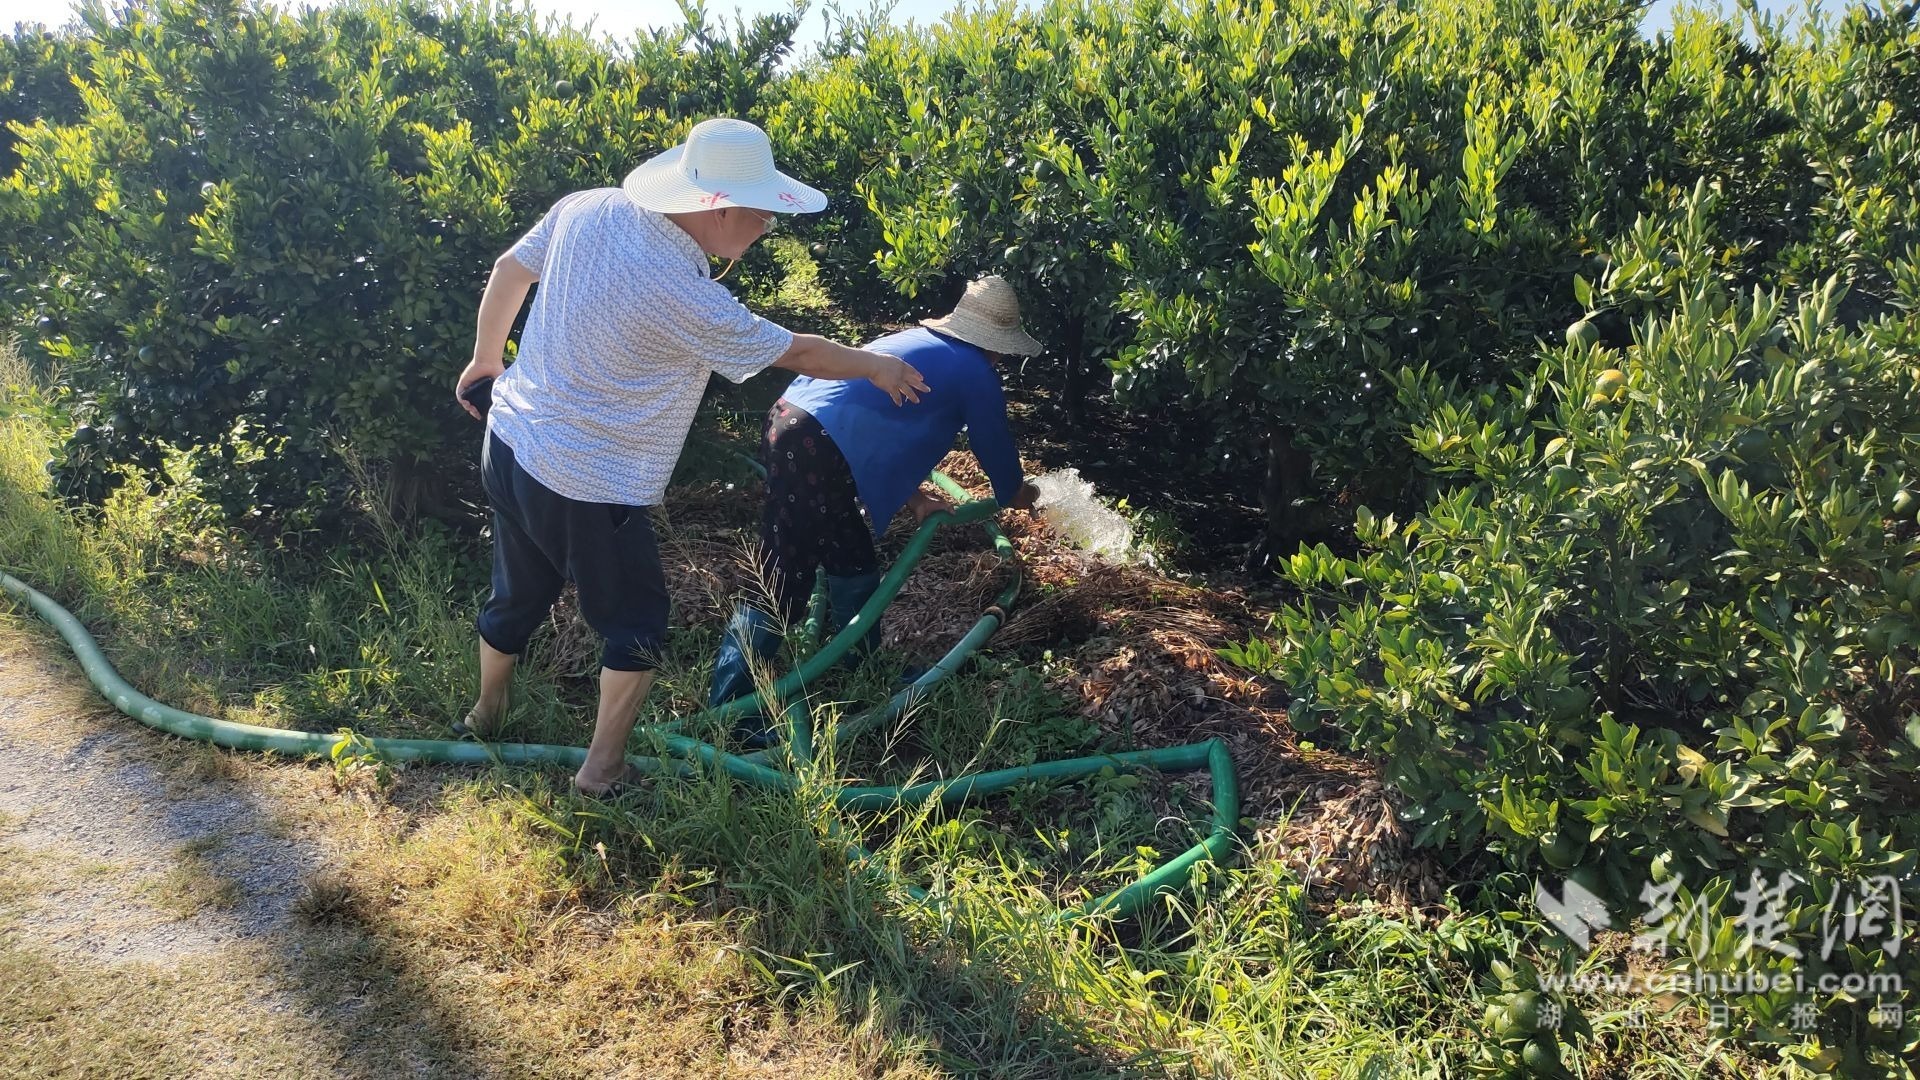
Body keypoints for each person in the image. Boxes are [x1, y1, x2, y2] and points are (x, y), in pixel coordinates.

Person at [451, 118, 929, 796]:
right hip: (586, 477)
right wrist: (875, 367)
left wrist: (484, 360)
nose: (766, 227)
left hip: (511, 442)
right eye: (761, 214)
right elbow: (795, 350)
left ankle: (486, 713)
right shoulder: (680, 291)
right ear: (718, 207)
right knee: (637, 625)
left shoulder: (590, 205)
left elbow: (509, 271)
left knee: (519, 590)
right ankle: (603, 772)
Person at [708, 275, 1043, 725]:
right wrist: (1017, 492)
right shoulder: (976, 372)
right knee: (783, 574)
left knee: (852, 557)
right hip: (815, 444)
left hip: (791, 425)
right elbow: (993, 444)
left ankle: (858, 668)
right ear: (999, 347)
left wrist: (916, 499)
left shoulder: (918, 340)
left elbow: (877, 427)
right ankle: (730, 707)